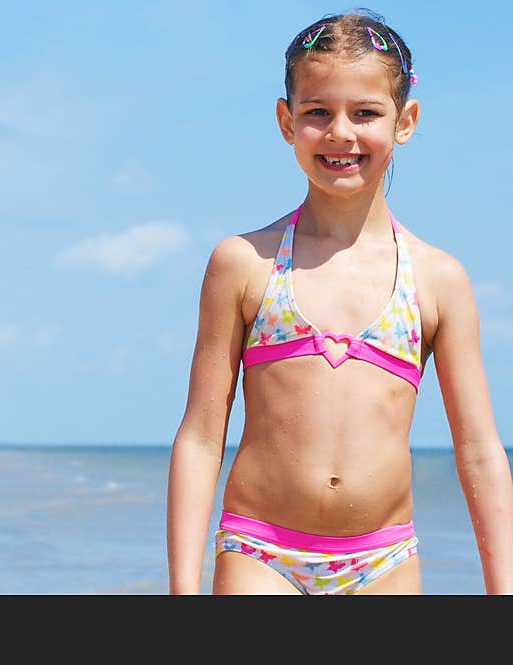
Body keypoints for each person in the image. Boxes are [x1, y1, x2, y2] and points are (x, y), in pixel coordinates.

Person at [166, 9, 513, 595]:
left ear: (405, 122)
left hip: (384, 561)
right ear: (286, 120)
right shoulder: (244, 264)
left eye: (367, 113)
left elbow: (478, 449)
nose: (341, 133)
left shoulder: (436, 279)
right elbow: (202, 435)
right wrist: (182, 590)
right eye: (317, 112)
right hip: (260, 551)